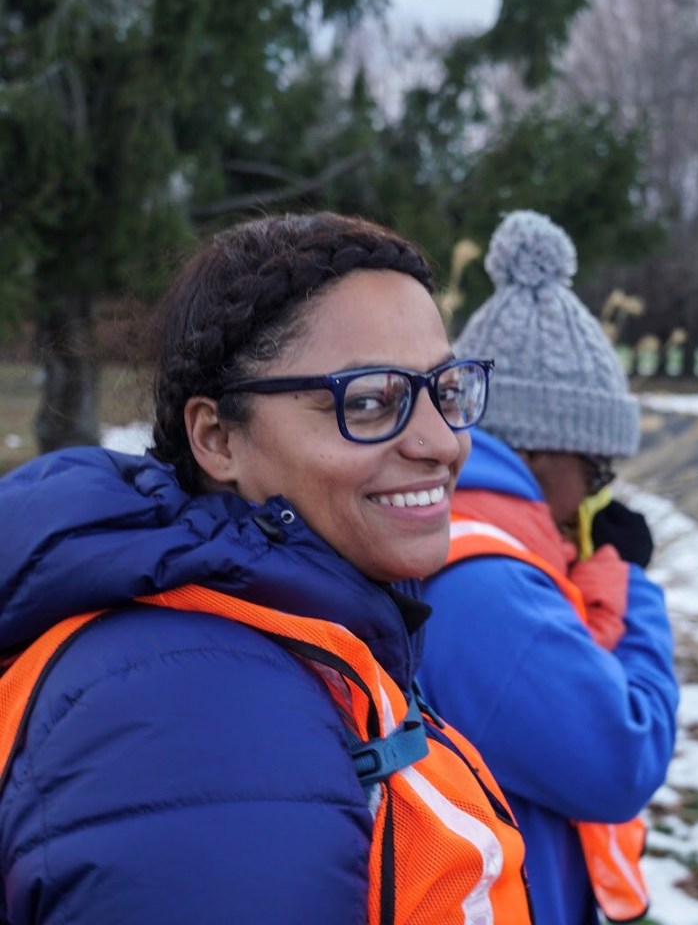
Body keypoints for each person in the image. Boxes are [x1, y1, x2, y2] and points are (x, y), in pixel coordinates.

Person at [0, 212, 534, 924]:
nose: (442, 442)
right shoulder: (195, 713)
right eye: (371, 400)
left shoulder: (281, 634)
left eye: (448, 389)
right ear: (217, 438)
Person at [416, 210, 680, 925]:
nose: (600, 493)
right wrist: (639, 589)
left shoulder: (463, 537)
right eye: (596, 470)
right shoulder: (482, 587)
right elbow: (622, 755)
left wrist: (598, 580)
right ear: (535, 452)